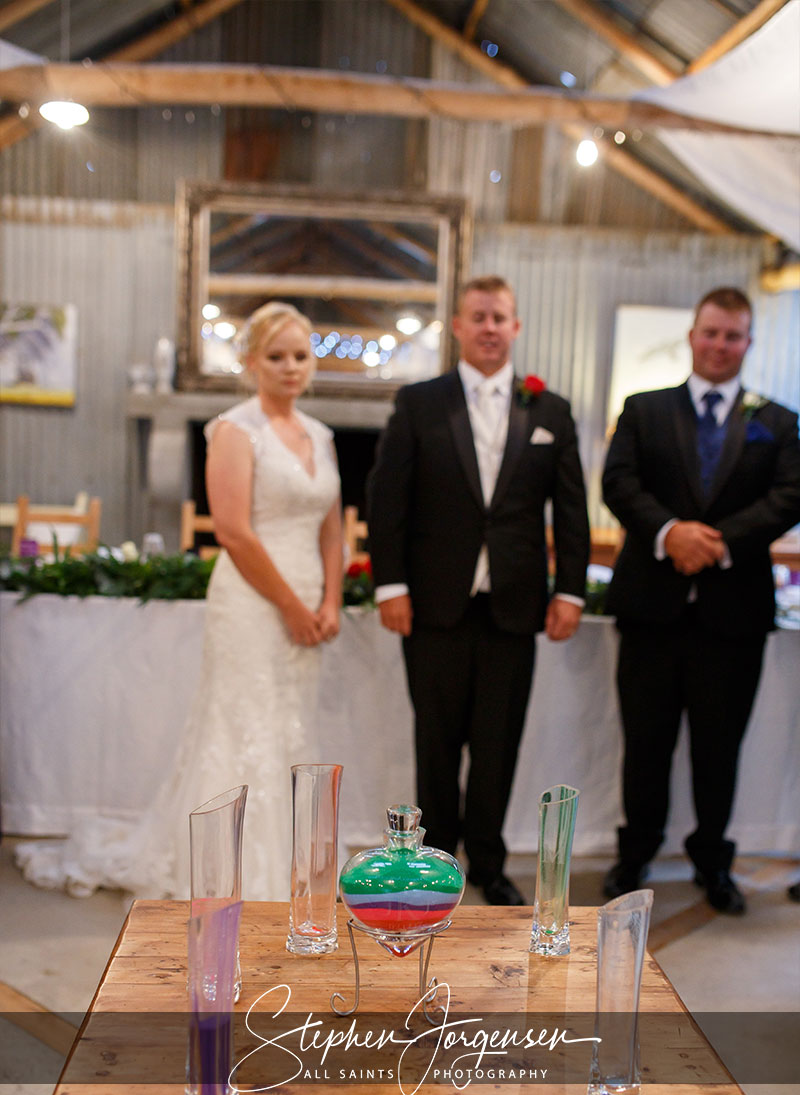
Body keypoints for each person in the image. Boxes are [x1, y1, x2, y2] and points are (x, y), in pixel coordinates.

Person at [15, 302, 343, 900]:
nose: (290, 367)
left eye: (300, 355)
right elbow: (235, 532)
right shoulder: (234, 431)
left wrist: (331, 602)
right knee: (243, 722)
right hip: (252, 602)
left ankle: (293, 866)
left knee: (293, 728)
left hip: (310, 604)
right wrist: (292, 607)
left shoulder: (320, 436)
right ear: (250, 363)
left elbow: (331, 528)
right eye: (276, 356)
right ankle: (232, 867)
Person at [366, 275, 590, 905]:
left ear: (516, 328)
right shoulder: (420, 402)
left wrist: (569, 591)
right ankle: (434, 863)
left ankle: (489, 864)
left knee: (498, 742)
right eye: (479, 317)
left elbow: (569, 510)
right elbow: (388, 502)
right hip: (434, 604)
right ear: (459, 327)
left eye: (501, 317)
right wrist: (391, 584)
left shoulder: (550, 410)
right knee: (435, 741)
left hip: (515, 608)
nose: (491, 327)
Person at [602, 286, 800, 914]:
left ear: (748, 342)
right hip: (651, 611)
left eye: (733, 335)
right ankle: (633, 857)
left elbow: (791, 496)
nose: (720, 345)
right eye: (711, 332)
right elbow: (618, 483)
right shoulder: (643, 409)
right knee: (646, 744)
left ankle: (714, 861)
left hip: (732, 615)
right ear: (692, 335)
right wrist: (669, 533)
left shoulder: (778, 421)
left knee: (720, 747)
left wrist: (715, 543)